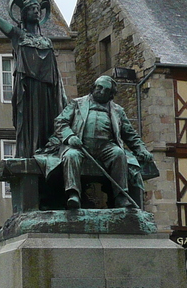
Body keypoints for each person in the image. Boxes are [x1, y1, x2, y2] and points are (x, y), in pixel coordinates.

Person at [34, 75, 159, 210]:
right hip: (81, 146)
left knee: (119, 154)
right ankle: (73, 194)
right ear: (93, 87)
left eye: (106, 90)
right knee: (71, 156)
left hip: (106, 147)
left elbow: (130, 134)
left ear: (111, 94)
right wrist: (69, 137)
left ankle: (121, 196)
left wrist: (142, 149)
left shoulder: (117, 110)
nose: (102, 91)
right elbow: (60, 122)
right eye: (99, 87)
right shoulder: (77, 103)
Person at [0, 0, 65, 158]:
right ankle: (29, 156)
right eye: (31, 9)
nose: (36, 11)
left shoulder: (47, 42)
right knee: (30, 127)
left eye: (38, 9)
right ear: (23, 14)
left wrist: (63, 97)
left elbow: (57, 75)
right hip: (28, 89)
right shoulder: (18, 35)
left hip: (47, 90)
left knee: (48, 126)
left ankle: (48, 154)